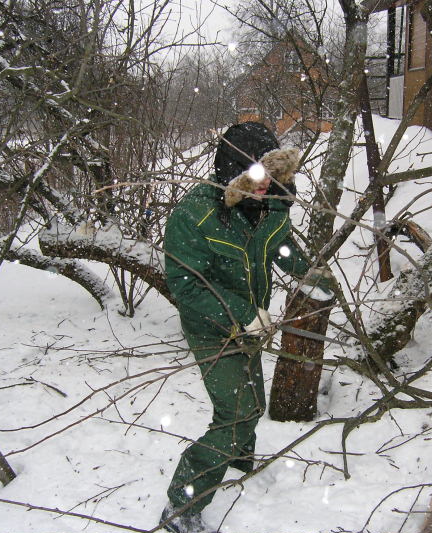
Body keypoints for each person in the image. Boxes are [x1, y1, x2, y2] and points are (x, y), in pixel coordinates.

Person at [160, 122, 322, 533]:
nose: (267, 184)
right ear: (235, 175)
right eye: (257, 176)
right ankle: (182, 507)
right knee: (237, 413)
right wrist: (240, 314)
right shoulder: (195, 216)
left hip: (254, 322)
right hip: (213, 326)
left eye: (272, 174)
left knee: (249, 403)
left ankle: (237, 464)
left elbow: (279, 245)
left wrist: (311, 275)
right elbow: (185, 285)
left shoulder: (268, 204)